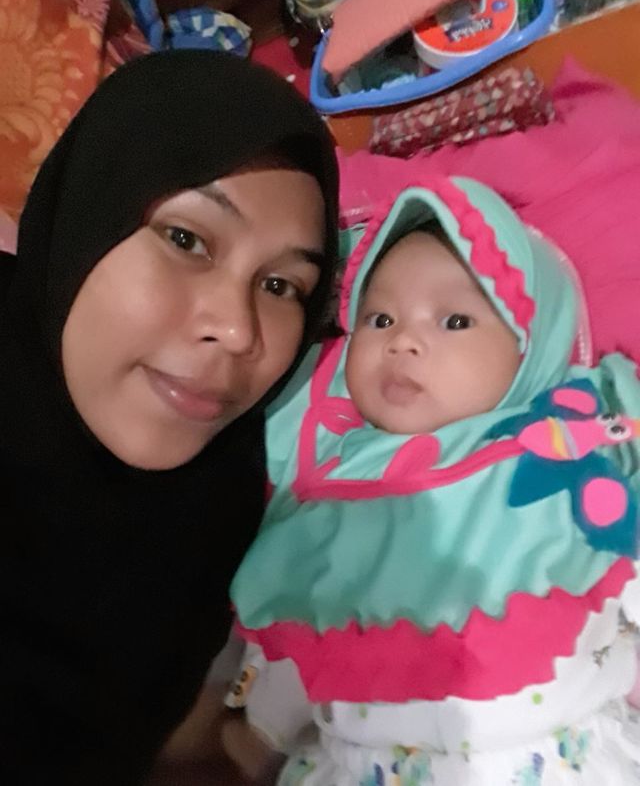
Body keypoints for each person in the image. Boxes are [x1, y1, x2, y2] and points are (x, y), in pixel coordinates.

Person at [0, 48, 338, 785]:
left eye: (281, 285)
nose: (240, 331)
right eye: (187, 239)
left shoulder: (232, 492)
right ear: (85, 216)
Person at [231, 175, 640, 784]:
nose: (403, 341)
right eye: (380, 318)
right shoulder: (329, 486)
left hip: (561, 758)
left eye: (454, 321)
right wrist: (261, 729)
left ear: (531, 351)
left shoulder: (567, 457)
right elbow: (305, 640)